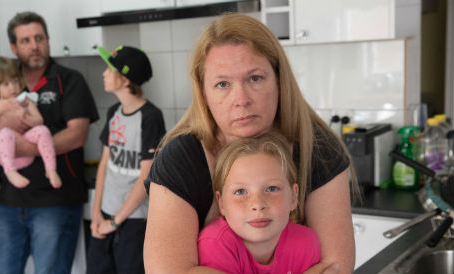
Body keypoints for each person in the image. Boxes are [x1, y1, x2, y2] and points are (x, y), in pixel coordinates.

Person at [143, 13, 358, 273]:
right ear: (204, 93)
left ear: (279, 80)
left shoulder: (319, 149)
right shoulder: (180, 160)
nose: (241, 99)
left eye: (255, 78)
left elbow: (336, 267)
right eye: (222, 84)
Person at [0, 11, 99, 274]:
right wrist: (3, 121)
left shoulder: (69, 80)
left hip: (56, 201)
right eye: (26, 40)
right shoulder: (3, 82)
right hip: (10, 202)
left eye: (39, 38)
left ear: (48, 40)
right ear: (14, 47)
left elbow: (77, 135)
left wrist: (22, 147)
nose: (34, 45)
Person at [86, 45, 166, 274]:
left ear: (124, 79)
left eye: (109, 69)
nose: (103, 73)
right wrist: (96, 214)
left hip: (133, 220)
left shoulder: (151, 117)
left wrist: (115, 222)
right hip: (105, 214)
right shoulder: (113, 112)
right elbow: (104, 165)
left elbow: (146, 176)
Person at [198, 131, 320, 274]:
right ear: (222, 203)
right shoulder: (216, 244)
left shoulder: (306, 243)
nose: (257, 204)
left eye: (272, 188)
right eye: (240, 191)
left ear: (293, 197)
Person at [0, 56, 61, 189]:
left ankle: (51, 169)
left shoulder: (25, 99)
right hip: (4, 154)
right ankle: (10, 172)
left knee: (43, 130)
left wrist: (25, 118)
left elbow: (39, 120)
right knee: (4, 133)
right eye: (6, 84)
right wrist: (2, 107)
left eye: (15, 81)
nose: (13, 88)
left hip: (25, 149)